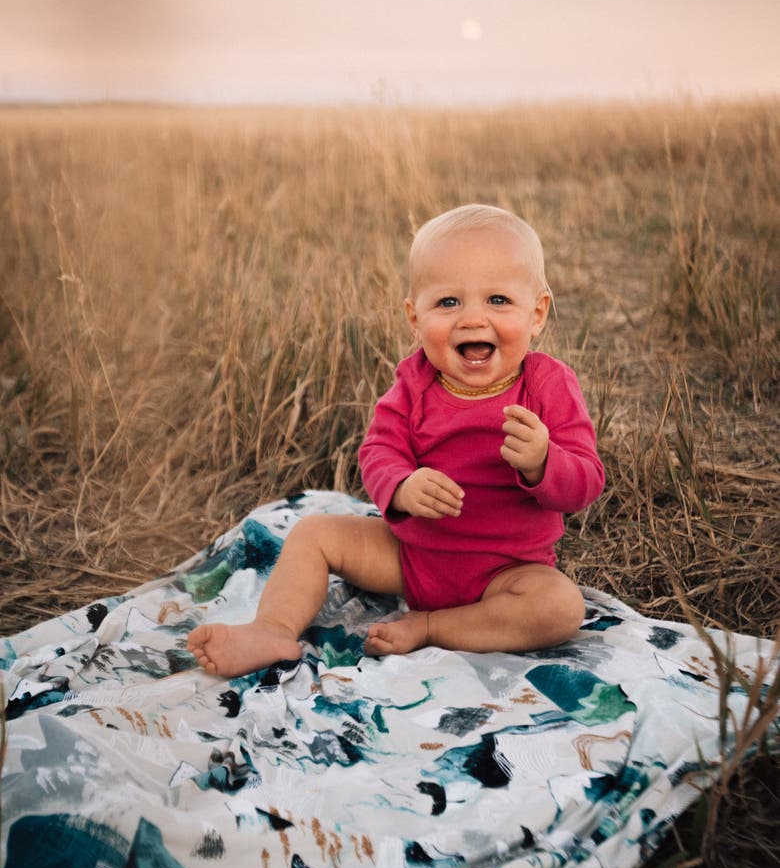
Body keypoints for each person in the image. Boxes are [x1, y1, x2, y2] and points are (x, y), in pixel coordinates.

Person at [188, 204, 605, 678]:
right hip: (412, 558)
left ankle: (432, 626)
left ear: (537, 313)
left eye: (498, 300)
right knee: (313, 534)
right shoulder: (414, 383)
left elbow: (587, 481)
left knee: (559, 607)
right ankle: (273, 629)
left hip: (507, 573)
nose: (472, 319)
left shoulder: (548, 385)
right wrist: (403, 487)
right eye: (448, 303)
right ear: (414, 317)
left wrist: (543, 461)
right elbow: (378, 451)